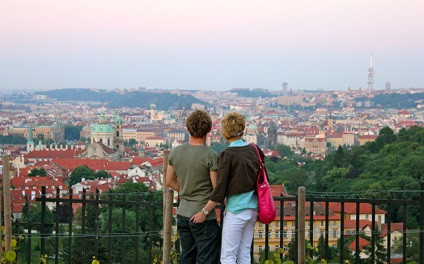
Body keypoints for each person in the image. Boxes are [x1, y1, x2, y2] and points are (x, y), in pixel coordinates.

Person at [191, 111, 264, 264]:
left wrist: (204, 212)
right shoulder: (254, 150)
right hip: (253, 208)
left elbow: (220, 188)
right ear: (242, 129)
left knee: (228, 256)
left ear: (225, 131)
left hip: (236, 210)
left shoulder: (227, 154)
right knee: (244, 253)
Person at [165, 109, 221, 264]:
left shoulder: (176, 152)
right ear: (209, 129)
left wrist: (185, 190)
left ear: (188, 128)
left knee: (186, 257)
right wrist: (204, 211)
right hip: (203, 216)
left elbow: (169, 180)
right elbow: (217, 190)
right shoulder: (210, 155)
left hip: (183, 213)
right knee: (206, 259)